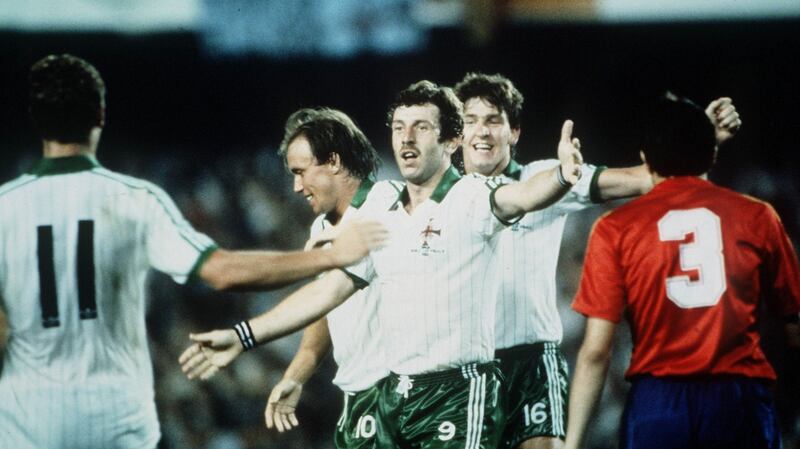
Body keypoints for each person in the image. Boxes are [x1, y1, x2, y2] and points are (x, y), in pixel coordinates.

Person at [0, 54, 385, 449]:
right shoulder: (135, 200)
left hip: (27, 417)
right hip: (113, 416)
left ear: (35, 117)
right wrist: (330, 256)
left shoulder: (5, 207)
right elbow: (222, 271)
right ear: (100, 115)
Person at [179, 79, 583, 449]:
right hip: (397, 398)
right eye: (398, 127)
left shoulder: (472, 197)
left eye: (421, 127)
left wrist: (562, 176)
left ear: (451, 139)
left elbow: (523, 195)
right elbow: (327, 292)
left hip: (458, 394)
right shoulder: (382, 219)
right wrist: (244, 335)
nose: (406, 137)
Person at [451, 73, 742, 449]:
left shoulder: (546, 176)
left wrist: (696, 141)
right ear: (457, 133)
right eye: (471, 121)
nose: (482, 132)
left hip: (532, 364)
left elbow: (641, 179)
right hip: (462, 368)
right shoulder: (438, 199)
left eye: (493, 120)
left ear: (515, 132)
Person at [565, 94, 800, 449]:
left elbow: (597, 351)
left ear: (644, 158)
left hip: (659, 404)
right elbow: (794, 328)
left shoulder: (616, 229)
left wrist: (571, 444)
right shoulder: (758, 216)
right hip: (740, 399)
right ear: (713, 152)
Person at [267, 107, 402, 448]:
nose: (297, 187)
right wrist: (296, 376)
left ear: (335, 162)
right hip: (357, 395)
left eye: (301, 172)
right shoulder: (322, 227)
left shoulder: (389, 203)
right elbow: (326, 308)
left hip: (396, 393)